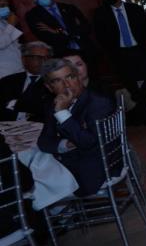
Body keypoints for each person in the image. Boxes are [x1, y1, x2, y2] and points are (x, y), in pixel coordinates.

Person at [36, 58, 116, 197]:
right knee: (31, 175)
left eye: (70, 77)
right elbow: (44, 142)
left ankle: (60, 216)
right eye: (57, 81)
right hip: (72, 161)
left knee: (36, 184)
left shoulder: (98, 103)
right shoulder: (52, 105)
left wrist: (62, 113)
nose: (67, 84)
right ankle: (61, 216)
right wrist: (65, 144)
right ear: (49, 87)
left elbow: (87, 143)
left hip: (95, 170)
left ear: (78, 77)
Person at [94, 0, 146, 125]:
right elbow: (100, 36)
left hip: (139, 51)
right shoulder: (101, 13)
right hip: (120, 54)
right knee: (131, 87)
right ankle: (143, 115)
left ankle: (137, 111)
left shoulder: (134, 9)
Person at [25, 0, 93, 60]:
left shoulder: (69, 8)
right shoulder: (33, 15)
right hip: (61, 56)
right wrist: (74, 33)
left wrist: (58, 31)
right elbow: (48, 37)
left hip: (86, 51)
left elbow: (87, 27)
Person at [0, 42, 53, 122]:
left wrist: (16, 104)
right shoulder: (7, 81)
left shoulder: (53, 81)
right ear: (24, 59)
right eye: (38, 57)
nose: (43, 61)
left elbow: (47, 110)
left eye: (47, 58)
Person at [0, 0, 24, 79]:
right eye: (2, 6)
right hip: (5, 72)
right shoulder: (9, 23)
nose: (6, 8)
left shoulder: (4, 21)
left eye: (7, 5)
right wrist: (11, 25)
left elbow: (14, 43)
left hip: (19, 67)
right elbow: (1, 43)